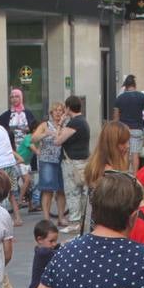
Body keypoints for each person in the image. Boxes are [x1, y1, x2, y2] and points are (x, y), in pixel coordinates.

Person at [57, 95, 92, 230]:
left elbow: (57, 140)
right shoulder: (83, 121)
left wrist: (60, 123)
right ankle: (81, 222)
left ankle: (75, 223)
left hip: (72, 163)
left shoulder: (74, 123)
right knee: (83, 192)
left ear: (68, 108)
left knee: (72, 193)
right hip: (83, 161)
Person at [32, 102, 67, 227]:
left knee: (61, 190)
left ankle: (61, 217)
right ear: (51, 113)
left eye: (61, 110)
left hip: (62, 160)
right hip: (47, 160)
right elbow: (33, 139)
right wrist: (45, 134)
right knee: (47, 190)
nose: (58, 112)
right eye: (55, 110)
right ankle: (47, 219)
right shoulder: (45, 125)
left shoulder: (66, 125)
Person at [113, 74, 144, 172]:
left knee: (125, 154)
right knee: (135, 154)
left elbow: (116, 118)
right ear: (135, 85)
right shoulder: (141, 96)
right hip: (137, 129)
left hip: (124, 130)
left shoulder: (119, 98)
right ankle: (135, 177)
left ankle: (126, 174)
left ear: (125, 86)